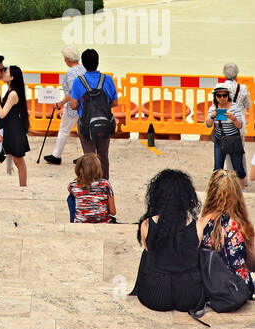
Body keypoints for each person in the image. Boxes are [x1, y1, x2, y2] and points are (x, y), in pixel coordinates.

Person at [131, 169, 205, 312]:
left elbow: (149, 251)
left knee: (147, 254)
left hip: (155, 295)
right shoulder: (197, 226)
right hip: (189, 295)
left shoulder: (147, 225)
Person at [65, 49, 118, 179]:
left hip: (86, 124)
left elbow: (73, 105)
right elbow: (115, 102)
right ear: (98, 62)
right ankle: (104, 184)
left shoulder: (79, 81)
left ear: (83, 63)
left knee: (89, 156)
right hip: (105, 123)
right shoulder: (107, 79)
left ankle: (90, 183)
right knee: (103, 155)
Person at [0, 65, 30, 186]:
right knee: (10, 156)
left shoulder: (13, 94)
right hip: (10, 128)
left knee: (19, 161)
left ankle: (23, 186)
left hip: (13, 130)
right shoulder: (11, 89)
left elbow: (2, 113)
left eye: (6, 71)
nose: (3, 72)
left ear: (11, 77)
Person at [45, 48, 85, 166]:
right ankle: (85, 155)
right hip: (85, 105)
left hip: (73, 106)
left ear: (67, 59)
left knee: (64, 130)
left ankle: (56, 155)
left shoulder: (71, 72)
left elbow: (73, 91)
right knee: (82, 131)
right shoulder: (83, 68)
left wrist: (61, 103)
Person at [205, 86, 247, 185]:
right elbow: (208, 124)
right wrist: (212, 116)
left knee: (238, 167)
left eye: (224, 95)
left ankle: (242, 189)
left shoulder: (235, 107)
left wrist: (234, 118)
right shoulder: (213, 108)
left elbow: (240, 125)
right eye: (219, 95)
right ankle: (216, 188)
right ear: (215, 97)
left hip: (233, 140)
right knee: (217, 168)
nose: (222, 98)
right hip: (220, 140)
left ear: (228, 96)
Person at [67, 153, 116, 223]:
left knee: (71, 197)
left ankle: (79, 218)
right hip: (103, 221)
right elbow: (113, 212)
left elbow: (69, 188)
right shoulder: (105, 184)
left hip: (81, 222)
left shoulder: (73, 185)